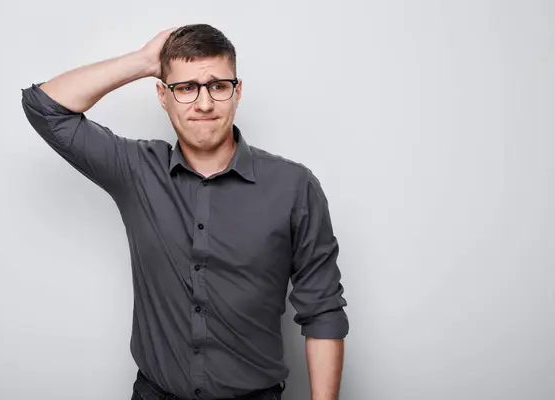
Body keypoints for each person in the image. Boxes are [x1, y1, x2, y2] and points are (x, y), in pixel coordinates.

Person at [21, 24, 349, 400]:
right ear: (163, 95)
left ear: (237, 91)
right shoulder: (136, 170)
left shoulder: (294, 186)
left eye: (218, 86)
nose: (204, 103)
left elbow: (323, 311)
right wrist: (143, 61)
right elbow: (44, 108)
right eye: (186, 88)